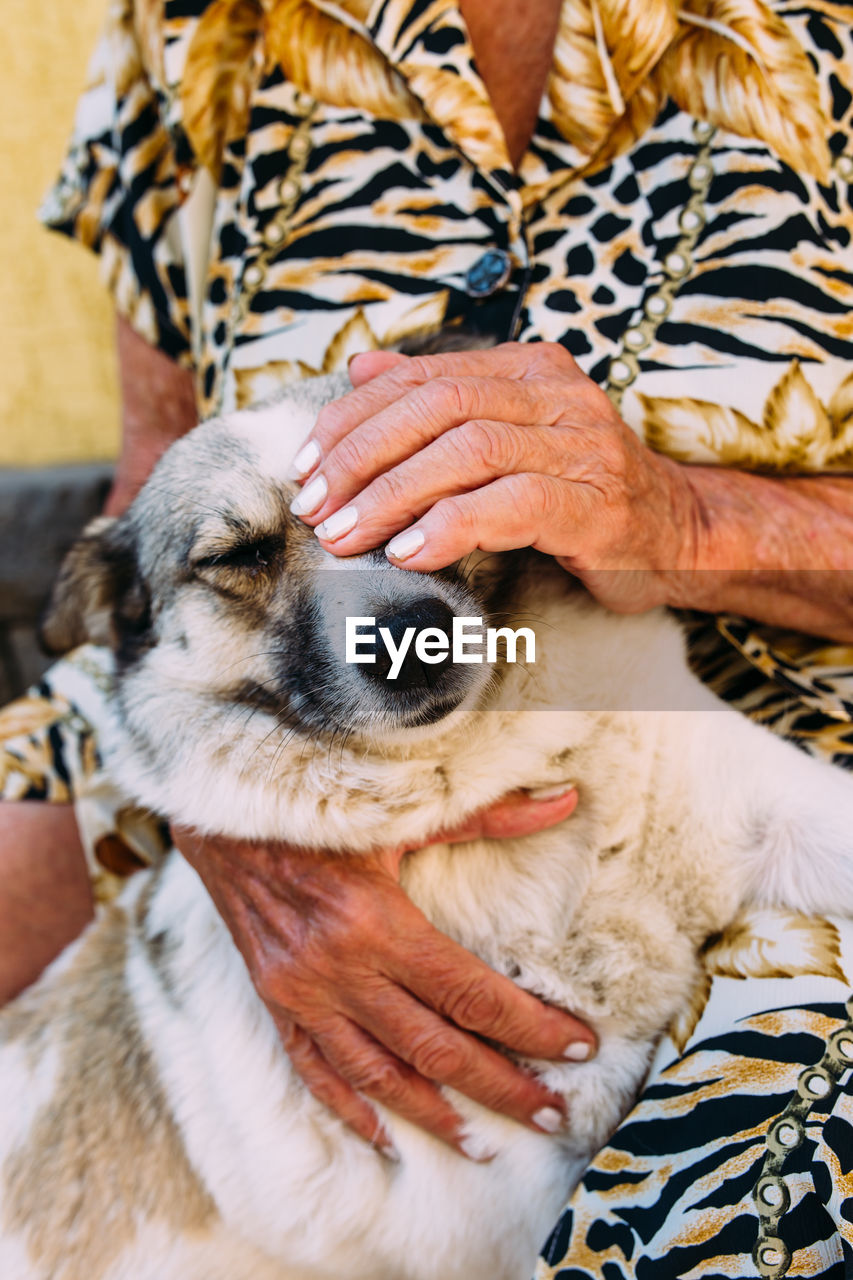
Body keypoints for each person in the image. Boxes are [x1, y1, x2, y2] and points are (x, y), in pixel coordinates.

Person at [2, 0, 853, 1273]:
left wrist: (685, 513)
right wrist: (220, 806)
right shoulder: (197, 30)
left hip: (735, 741)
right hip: (264, 728)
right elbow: (148, 520)